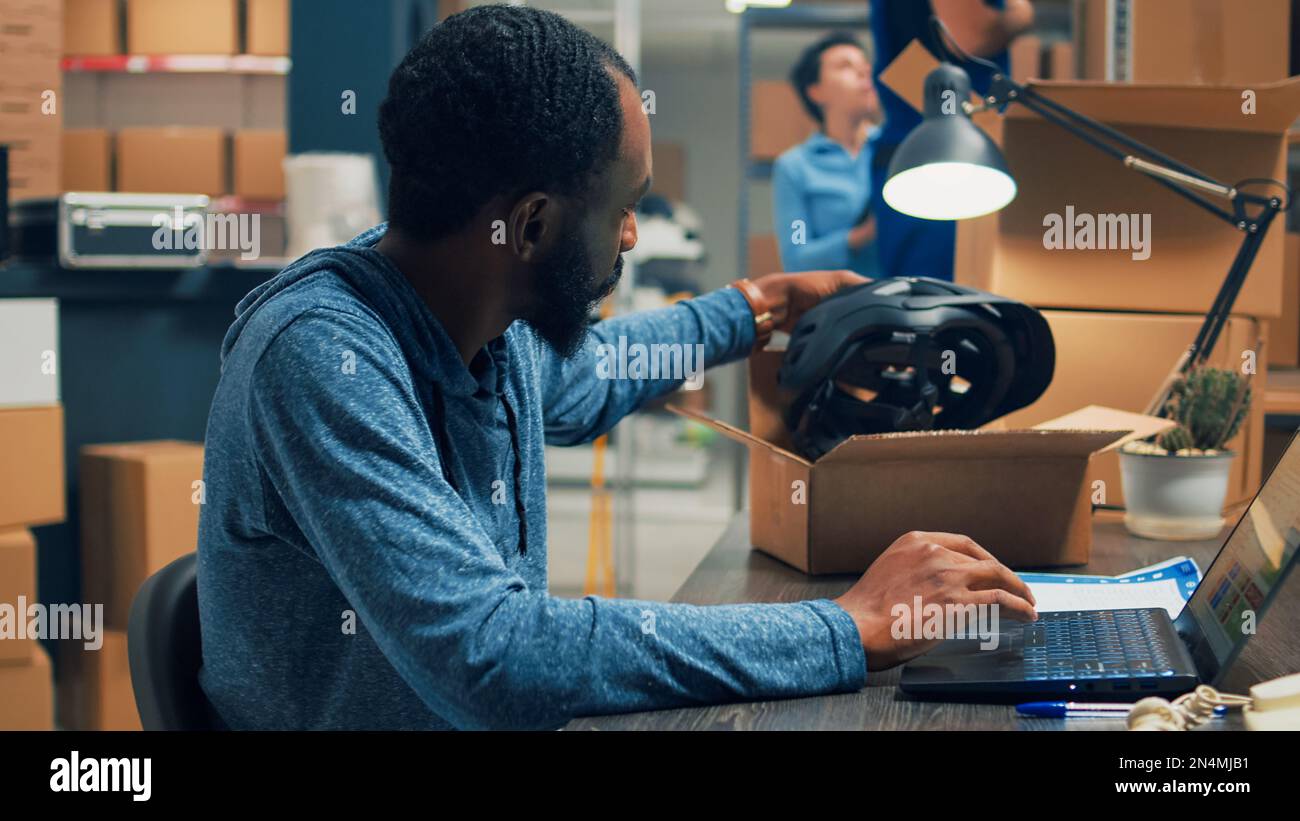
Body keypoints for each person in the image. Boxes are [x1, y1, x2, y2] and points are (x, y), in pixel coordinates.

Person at [196, 4, 1037, 731]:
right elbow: (492, 657)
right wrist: (847, 628)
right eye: (624, 209)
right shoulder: (321, 359)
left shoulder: (485, 314)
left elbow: (591, 376)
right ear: (530, 227)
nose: (632, 237)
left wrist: (757, 303)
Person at [869, 0, 1035, 280]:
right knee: (936, 302)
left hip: (937, 153)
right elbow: (968, 35)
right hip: (943, 161)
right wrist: (1021, 12)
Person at [772, 31, 881, 278]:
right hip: (838, 308)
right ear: (815, 91)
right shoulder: (795, 167)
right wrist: (859, 237)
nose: (864, 72)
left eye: (865, 65)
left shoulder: (897, 148)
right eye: (845, 66)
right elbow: (797, 255)